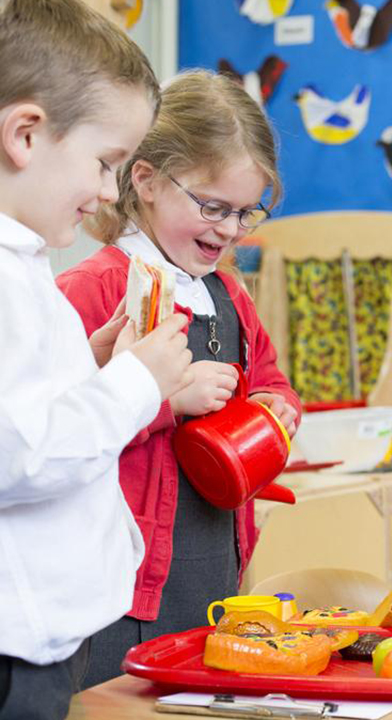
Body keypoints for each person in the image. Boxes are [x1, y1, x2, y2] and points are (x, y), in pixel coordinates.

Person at [57, 69, 301, 688]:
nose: (228, 229)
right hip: (122, 590)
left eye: (247, 212)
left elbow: (271, 379)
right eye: (212, 206)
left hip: (211, 566)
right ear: (145, 180)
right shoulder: (96, 290)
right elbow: (57, 437)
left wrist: (276, 406)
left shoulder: (227, 295)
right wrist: (165, 402)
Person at [0, 1, 193, 717]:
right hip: (18, 652)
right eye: (106, 163)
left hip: (45, 642)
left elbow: (26, 403)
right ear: (25, 134)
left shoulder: (24, 263)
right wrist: (137, 384)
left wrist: (96, 363)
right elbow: (20, 452)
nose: (110, 193)